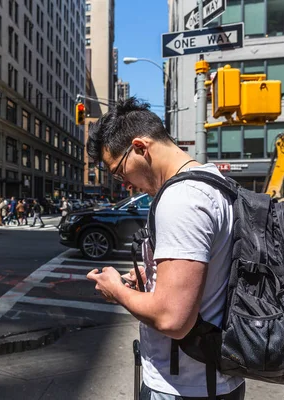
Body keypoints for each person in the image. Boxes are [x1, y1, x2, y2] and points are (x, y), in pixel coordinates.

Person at [85, 98, 245, 400]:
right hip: (216, 379)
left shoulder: (180, 199)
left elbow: (172, 319)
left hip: (183, 387)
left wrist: (115, 289)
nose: (125, 185)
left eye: (119, 172)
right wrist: (153, 274)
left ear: (140, 147)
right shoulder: (217, 183)